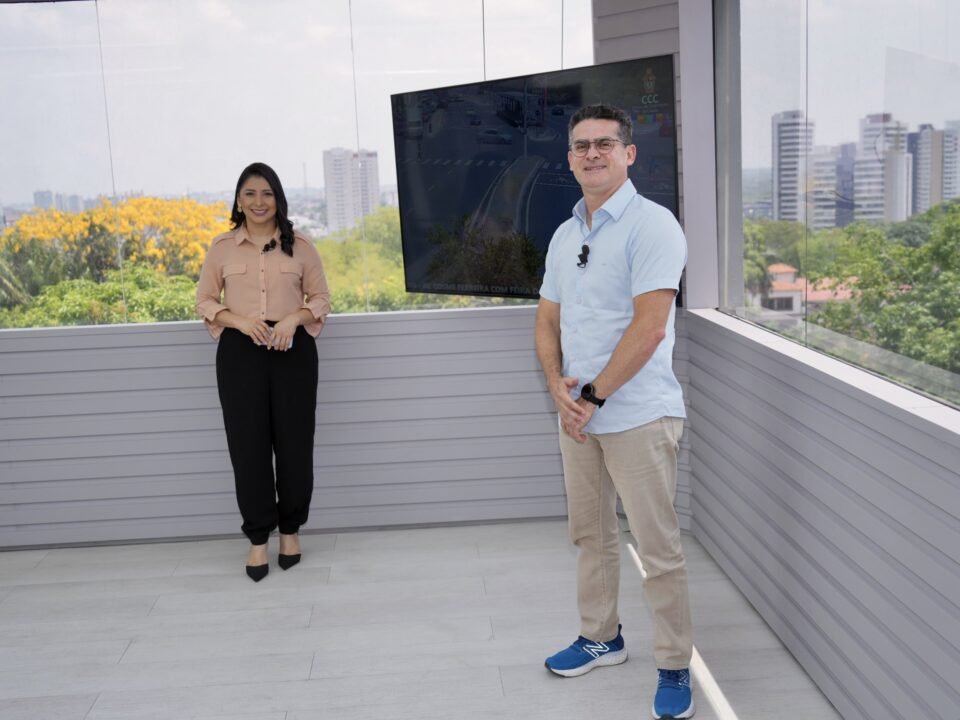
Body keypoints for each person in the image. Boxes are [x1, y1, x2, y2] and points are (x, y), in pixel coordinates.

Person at [535, 104, 694, 719]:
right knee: (591, 535)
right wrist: (557, 385)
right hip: (580, 415)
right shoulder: (565, 233)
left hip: (639, 415)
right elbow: (548, 318)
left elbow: (650, 328)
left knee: (658, 549)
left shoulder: (653, 226)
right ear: (570, 159)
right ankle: (602, 637)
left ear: (629, 154)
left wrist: (592, 395)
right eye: (581, 146)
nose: (592, 154)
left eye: (604, 143)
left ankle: (674, 664)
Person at [196, 162, 330, 582]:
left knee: (294, 445)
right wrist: (238, 321)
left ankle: (290, 531)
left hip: (293, 352)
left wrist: (293, 319)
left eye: (267, 193)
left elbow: (321, 298)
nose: (259, 202)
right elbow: (204, 301)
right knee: (248, 448)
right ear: (239, 200)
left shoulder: (301, 246)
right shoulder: (222, 248)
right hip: (241, 354)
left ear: (278, 199)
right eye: (250, 194)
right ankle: (258, 539)